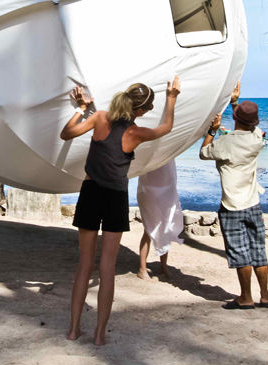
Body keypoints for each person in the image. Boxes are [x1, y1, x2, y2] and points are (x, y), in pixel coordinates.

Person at [61, 77, 180, 345]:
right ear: (140, 110)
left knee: (84, 266)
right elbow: (167, 128)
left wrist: (82, 108)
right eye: (147, 109)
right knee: (107, 267)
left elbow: (66, 133)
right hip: (115, 198)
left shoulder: (99, 118)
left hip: (90, 194)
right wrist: (172, 97)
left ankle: (73, 330)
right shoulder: (136, 133)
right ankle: (100, 335)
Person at [199, 83, 268, 310]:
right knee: (258, 251)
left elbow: (203, 153)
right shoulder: (257, 139)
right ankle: (265, 296)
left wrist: (212, 130)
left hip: (231, 205)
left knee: (240, 252)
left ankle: (245, 298)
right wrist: (235, 101)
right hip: (253, 203)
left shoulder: (226, 143)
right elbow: (248, 126)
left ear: (236, 118)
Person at [136, 159, 183, 280]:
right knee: (148, 228)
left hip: (168, 187)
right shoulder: (151, 145)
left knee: (166, 227)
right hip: (149, 188)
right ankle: (142, 269)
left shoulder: (169, 146)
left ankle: (163, 266)